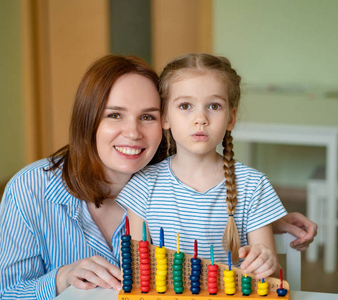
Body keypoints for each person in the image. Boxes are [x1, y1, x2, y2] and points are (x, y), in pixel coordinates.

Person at [0, 54, 316, 299]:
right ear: (88, 120)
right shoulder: (30, 189)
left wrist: (269, 220)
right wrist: (61, 277)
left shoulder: (165, 176)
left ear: (163, 122)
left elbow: (212, 201)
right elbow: (0, 295)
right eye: (114, 115)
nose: (133, 133)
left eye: (147, 116)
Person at [117, 53, 285, 279]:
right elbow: (138, 274)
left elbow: (269, 275)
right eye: (185, 105)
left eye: (214, 106)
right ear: (165, 117)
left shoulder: (253, 186)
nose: (200, 118)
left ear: (231, 119)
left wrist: (266, 262)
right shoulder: (143, 186)